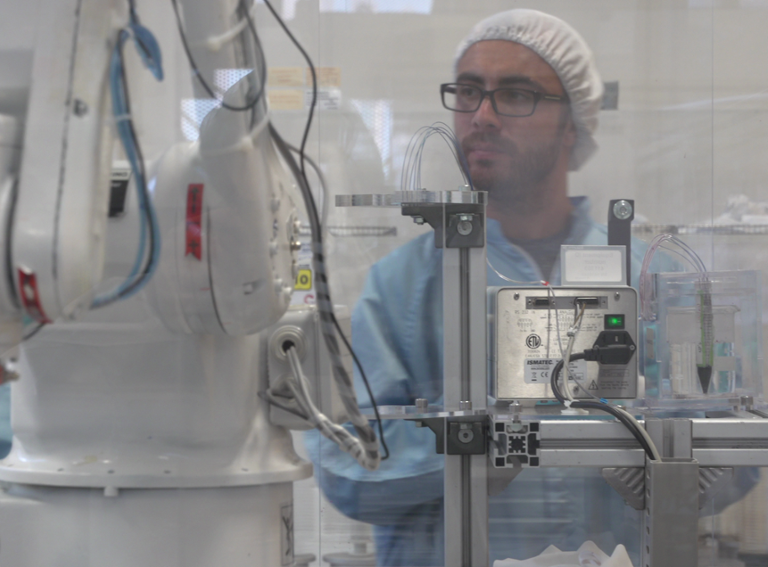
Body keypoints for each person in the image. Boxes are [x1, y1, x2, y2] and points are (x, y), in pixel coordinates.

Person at [305, 9, 755, 565]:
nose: (483, 116)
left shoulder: (649, 275)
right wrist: (480, 446)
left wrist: (643, 447)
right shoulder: (402, 288)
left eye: (515, 94)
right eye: (468, 92)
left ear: (574, 123)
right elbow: (344, 469)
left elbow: (734, 466)